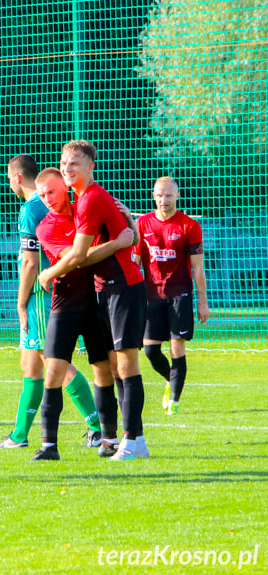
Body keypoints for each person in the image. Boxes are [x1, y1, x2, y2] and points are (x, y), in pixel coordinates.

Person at [39, 141, 148, 461]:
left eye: (75, 163)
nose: (68, 168)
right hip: (98, 293)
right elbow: (112, 239)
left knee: (123, 365)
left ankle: (131, 440)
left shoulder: (88, 200)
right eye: (64, 163)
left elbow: (81, 256)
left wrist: (47, 275)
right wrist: (125, 234)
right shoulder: (76, 204)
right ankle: (58, 444)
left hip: (122, 287)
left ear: (91, 166)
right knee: (112, 366)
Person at [0, 155, 102, 450]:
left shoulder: (31, 208)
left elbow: (30, 263)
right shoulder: (53, 203)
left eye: (8, 178)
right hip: (60, 290)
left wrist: (20, 302)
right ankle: (19, 436)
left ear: (16, 178)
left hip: (42, 296)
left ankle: (97, 425)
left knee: (54, 364)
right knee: (30, 364)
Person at [135, 177, 210, 415]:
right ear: (153, 195)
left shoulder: (190, 226)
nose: (163, 200)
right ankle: (172, 380)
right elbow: (135, 262)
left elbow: (198, 267)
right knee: (150, 351)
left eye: (168, 195)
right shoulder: (142, 223)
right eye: (159, 195)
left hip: (180, 294)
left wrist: (203, 302)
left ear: (177, 196)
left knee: (177, 349)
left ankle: (174, 402)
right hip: (151, 295)